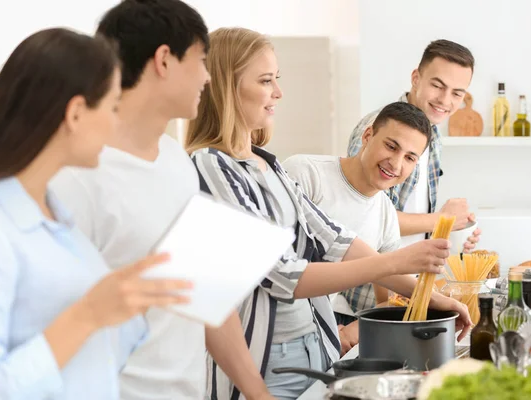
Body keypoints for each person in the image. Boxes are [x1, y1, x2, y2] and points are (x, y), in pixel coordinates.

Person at [186, 27, 471, 400]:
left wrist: (431, 296)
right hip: (267, 361)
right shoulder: (211, 166)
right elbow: (283, 276)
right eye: (266, 80)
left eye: (278, 79)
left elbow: (337, 239)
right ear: (227, 86)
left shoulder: (269, 166)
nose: (278, 93)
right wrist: (395, 262)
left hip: (316, 345)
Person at [50, 1, 273, 399]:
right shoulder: (74, 177)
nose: (208, 77)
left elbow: (203, 297)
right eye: (202, 60)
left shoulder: (175, 161)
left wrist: (258, 392)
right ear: (164, 60)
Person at [0, 28, 191, 400]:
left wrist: (132, 301)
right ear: (77, 113)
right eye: (112, 107)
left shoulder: (59, 220)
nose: (116, 123)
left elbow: (94, 361)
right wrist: (88, 315)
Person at [283, 101, 433, 354]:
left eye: (409, 158)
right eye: (390, 146)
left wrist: (359, 328)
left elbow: (388, 300)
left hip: (319, 339)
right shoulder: (306, 174)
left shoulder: (385, 211)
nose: (396, 164)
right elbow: (281, 271)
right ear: (367, 135)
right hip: (278, 336)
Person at [347, 39, 481, 253]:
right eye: (437, 86)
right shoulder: (378, 129)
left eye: (457, 93)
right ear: (416, 79)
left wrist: (452, 232)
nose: (445, 101)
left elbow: (414, 220)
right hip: (374, 282)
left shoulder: (433, 135)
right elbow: (364, 215)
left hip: (413, 279)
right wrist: (441, 220)